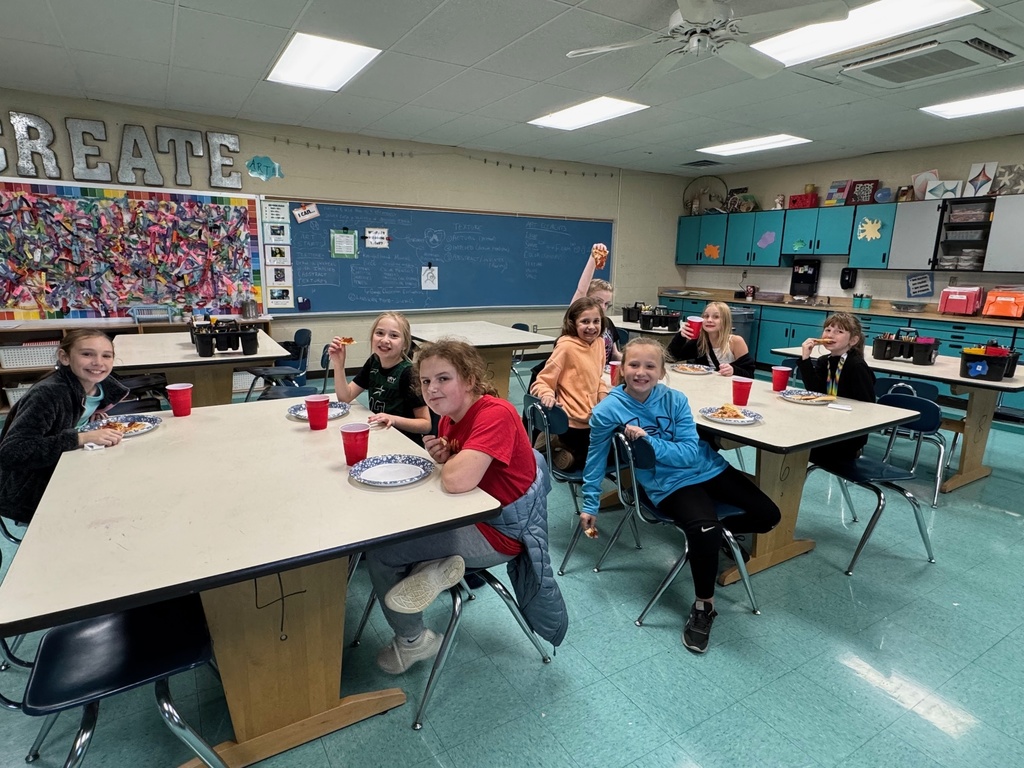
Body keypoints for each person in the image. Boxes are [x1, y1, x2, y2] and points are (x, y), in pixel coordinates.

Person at [365, 339, 567, 674]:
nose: (432, 389)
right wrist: (451, 457)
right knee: (393, 525)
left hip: (500, 533)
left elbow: (456, 482)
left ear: (469, 380)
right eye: (426, 381)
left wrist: (452, 463)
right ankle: (432, 568)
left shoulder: (495, 413)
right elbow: (459, 471)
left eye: (443, 378)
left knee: (382, 551)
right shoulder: (447, 420)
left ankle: (413, 641)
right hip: (470, 516)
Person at [580, 337, 780, 654]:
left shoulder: (675, 399)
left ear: (661, 371)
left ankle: (714, 541)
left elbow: (689, 453)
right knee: (705, 529)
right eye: (633, 365)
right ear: (622, 369)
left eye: (650, 366)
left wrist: (650, 443)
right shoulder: (608, 411)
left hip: (707, 468)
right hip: (667, 484)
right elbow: (594, 459)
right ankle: (704, 606)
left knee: (769, 516)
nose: (641, 372)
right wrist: (590, 502)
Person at [0, 330, 129, 526]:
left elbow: (68, 416)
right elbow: (12, 452)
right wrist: (80, 437)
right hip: (34, 489)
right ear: (65, 357)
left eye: (106, 355)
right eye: (87, 354)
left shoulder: (100, 387)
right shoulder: (49, 394)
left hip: (71, 469)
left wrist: (85, 420)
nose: (98, 362)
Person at [529, 297, 609, 471]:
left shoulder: (600, 344)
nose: (592, 327)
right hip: (572, 420)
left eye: (596, 321)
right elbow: (541, 380)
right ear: (573, 323)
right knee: (589, 463)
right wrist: (547, 395)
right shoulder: (566, 347)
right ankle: (556, 442)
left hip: (594, 417)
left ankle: (559, 444)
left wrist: (603, 396)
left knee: (611, 455)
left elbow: (598, 378)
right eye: (585, 322)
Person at [329, 311, 431, 441]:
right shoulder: (374, 362)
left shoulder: (407, 373)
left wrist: (392, 419)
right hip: (380, 436)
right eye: (379, 333)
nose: (385, 340)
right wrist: (339, 364)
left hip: (402, 442)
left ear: (405, 344)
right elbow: (345, 397)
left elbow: (425, 424)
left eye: (394, 335)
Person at [797, 312, 875, 468]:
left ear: (853, 340)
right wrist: (805, 358)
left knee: (798, 449)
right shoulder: (824, 361)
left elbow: (868, 405)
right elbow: (815, 390)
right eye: (828, 330)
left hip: (848, 433)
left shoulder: (856, 366)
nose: (831, 334)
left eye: (839, 332)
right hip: (825, 424)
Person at [667, 301, 754, 378]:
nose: (709, 320)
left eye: (716, 317)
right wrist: (681, 337)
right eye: (706, 316)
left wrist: (733, 370)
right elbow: (670, 357)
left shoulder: (735, 342)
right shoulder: (700, 342)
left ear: (725, 321)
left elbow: (749, 374)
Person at [571, 242, 621, 364]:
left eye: (607, 303)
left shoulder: (607, 323)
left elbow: (614, 354)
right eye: (598, 301)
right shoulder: (577, 319)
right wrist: (594, 257)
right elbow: (581, 290)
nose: (602, 307)